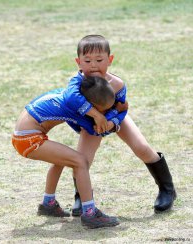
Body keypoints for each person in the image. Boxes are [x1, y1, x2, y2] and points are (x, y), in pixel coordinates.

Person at [67, 34, 176, 216]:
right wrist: (96, 118)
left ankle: (167, 189)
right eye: (87, 60)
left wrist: (111, 121)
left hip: (115, 119)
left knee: (141, 147)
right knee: (82, 160)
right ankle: (81, 196)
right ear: (78, 62)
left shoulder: (117, 84)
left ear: (110, 60)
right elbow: (71, 100)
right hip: (91, 125)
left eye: (99, 59)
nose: (93, 65)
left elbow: (122, 108)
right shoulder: (76, 83)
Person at [11, 75, 126, 229]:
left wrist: (106, 114)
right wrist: (115, 117)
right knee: (80, 162)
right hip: (28, 139)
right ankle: (90, 213)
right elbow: (98, 130)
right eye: (103, 110)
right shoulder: (76, 109)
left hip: (22, 136)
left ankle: (48, 204)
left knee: (62, 160)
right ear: (91, 105)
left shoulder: (72, 96)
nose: (104, 113)